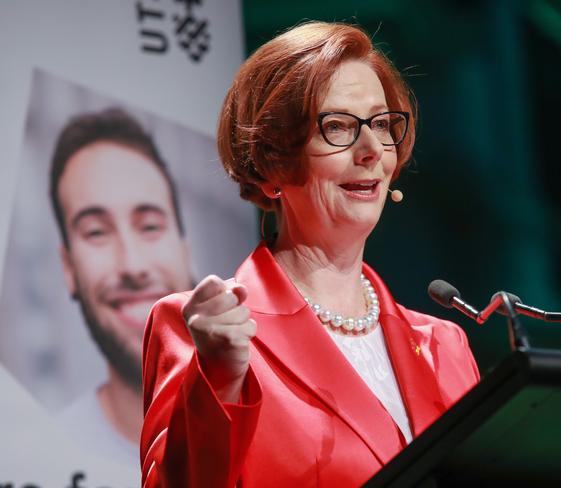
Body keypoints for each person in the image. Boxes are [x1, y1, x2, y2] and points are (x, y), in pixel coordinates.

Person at [141, 21, 480, 486]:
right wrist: (216, 382)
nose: (370, 150)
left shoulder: (446, 346)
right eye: (337, 126)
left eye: (381, 125)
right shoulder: (203, 333)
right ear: (270, 162)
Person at [49, 108, 194, 467]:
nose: (132, 265)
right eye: (96, 232)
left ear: (184, 250)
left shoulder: (267, 430)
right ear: (68, 269)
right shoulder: (43, 459)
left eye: (149, 226)